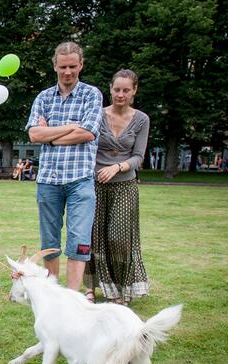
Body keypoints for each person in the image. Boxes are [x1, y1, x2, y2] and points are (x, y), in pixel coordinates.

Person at [25, 41, 102, 291]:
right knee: (49, 240)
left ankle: (72, 297)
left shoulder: (92, 94)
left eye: (72, 66)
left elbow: (88, 133)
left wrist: (51, 135)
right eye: (62, 67)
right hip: (48, 180)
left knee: (79, 239)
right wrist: (71, 126)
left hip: (80, 179)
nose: (67, 72)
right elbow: (34, 135)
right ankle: (53, 292)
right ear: (54, 66)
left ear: (81, 65)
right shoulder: (44, 97)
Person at [84, 69, 150, 305]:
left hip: (125, 186)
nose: (120, 95)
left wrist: (117, 167)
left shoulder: (141, 119)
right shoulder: (97, 114)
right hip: (95, 185)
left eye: (126, 90)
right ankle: (90, 288)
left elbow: (139, 157)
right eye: (116, 89)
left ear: (134, 91)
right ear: (110, 89)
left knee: (118, 237)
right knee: (91, 235)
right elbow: (83, 142)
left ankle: (122, 289)